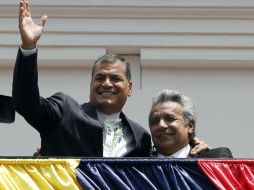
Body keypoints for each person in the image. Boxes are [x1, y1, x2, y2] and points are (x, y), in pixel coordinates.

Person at [13, 0, 209, 157]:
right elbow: (25, 102)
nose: (106, 83)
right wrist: (28, 48)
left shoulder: (141, 137)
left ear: (129, 88)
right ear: (91, 85)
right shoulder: (64, 112)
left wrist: (191, 143)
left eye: (115, 78)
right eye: (100, 78)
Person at [149, 89, 233, 158]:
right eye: (154, 121)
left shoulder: (214, 160)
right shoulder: (138, 166)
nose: (161, 125)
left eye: (170, 119)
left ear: (190, 126)